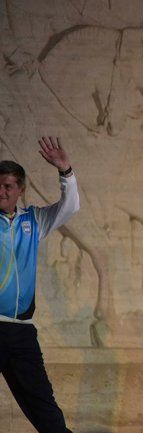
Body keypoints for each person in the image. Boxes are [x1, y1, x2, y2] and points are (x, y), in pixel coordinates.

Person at [0, 137, 79, 433]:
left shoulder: (34, 220)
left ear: (21, 189)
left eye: (8, 186)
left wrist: (66, 172)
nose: (1, 191)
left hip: (21, 333)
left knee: (49, 419)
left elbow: (70, 207)